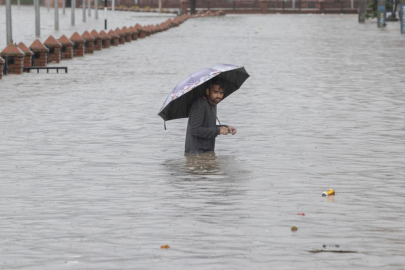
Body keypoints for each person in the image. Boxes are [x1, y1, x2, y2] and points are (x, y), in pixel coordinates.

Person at [185, 79, 237, 154]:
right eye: (215, 92)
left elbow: (208, 126)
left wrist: (225, 128)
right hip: (196, 152)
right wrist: (218, 130)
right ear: (207, 91)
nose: (219, 96)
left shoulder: (213, 103)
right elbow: (194, 129)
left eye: (221, 93)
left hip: (207, 151)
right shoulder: (200, 104)